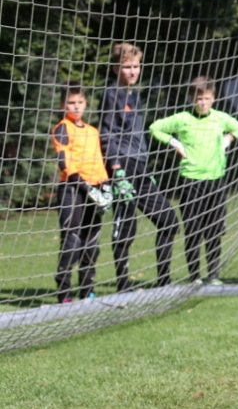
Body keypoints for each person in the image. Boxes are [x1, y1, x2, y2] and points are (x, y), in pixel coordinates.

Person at [99, 42, 177, 291]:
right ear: (115, 68)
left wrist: (146, 166)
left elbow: (136, 135)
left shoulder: (135, 94)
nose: (133, 71)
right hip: (122, 167)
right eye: (127, 67)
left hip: (140, 168)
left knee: (169, 220)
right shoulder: (111, 94)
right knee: (125, 227)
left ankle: (163, 281)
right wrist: (116, 167)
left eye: (136, 66)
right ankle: (123, 284)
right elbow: (107, 134)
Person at [150, 77, 238, 285]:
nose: (203, 103)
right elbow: (155, 127)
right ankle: (195, 276)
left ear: (214, 98)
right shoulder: (183, 119)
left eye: (207, 98)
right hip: (191, 182)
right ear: (192, 98)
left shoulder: (220, 118)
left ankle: (214, 275)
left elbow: (236, 126)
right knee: (193, 231)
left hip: (215, 181)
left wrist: (227, 140)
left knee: (214, 231)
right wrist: (174, 143)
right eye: (199, 98)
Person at [52, 82, 112, 302]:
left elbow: (98, 163)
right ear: (62, 104)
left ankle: (87, 290)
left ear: (86, 103)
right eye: (71, 103)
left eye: (80, 102)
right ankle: (64, 292)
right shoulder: (62, 128)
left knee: (91, 242)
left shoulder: (92, 131)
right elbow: (64, 162)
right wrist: (86, 187)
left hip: (95, 189)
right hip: (73, 189)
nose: (76, 107)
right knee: (72, 241)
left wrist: (105, 186)